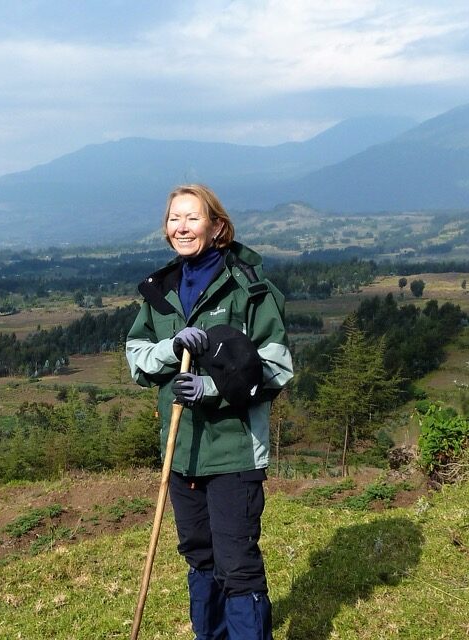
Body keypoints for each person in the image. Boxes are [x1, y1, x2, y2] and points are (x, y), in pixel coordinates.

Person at [126, 184, 293, 640]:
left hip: (234, 452)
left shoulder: (249, 288)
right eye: (174, 219)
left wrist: (214, 387)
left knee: (236, 566)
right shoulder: (161, 290)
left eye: (192, 218)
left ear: (217, 226)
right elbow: (136, 355)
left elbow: (276, 367)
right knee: (200, 556)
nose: (181, 227)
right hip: (180, 454)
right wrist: (170, 348)